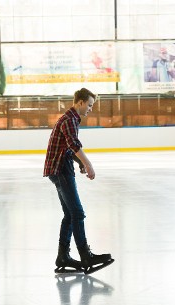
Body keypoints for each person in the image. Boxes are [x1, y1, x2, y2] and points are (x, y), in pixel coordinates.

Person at [44, 88, 114, 274]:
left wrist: (78, 162)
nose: (91, 108)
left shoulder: (71, 119)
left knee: (70, 215)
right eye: (89, 105)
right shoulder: (70, 119)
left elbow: (67, 147)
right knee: (77, 213)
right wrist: (88, 164)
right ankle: (86, 256)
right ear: (80, 102)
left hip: (59, 168)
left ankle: (63, 256)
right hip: (61, 170)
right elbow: (74, 144)